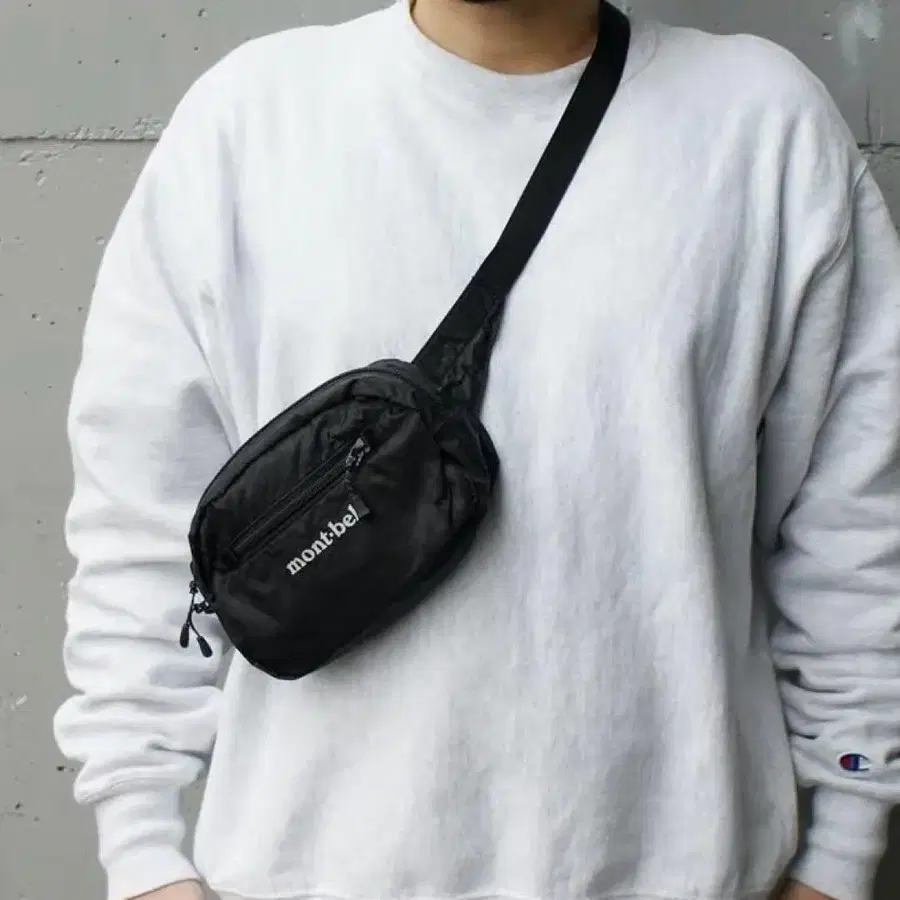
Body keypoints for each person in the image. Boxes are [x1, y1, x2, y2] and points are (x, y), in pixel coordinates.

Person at [53, 1, 900, 899]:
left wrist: (844, 847)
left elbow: (854, 523)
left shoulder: (761, 127)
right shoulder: (250, 122)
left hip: (682, 870)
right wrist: (141, 853)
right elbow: (144, 522)